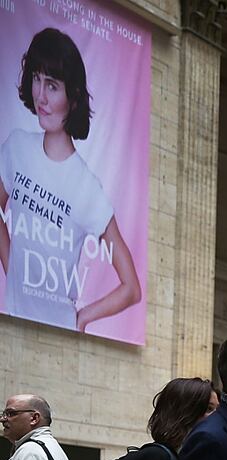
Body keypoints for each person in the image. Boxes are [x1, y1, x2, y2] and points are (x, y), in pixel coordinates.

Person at [0, 28, 141, 333]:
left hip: (58, 331)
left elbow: (131, 287)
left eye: (52, 86)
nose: (40, 95)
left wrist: (84, 316)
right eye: (36, 79)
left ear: (73, 98)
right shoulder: (16, 146)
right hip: (12, 320)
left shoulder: (87, 188)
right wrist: (13, 270)